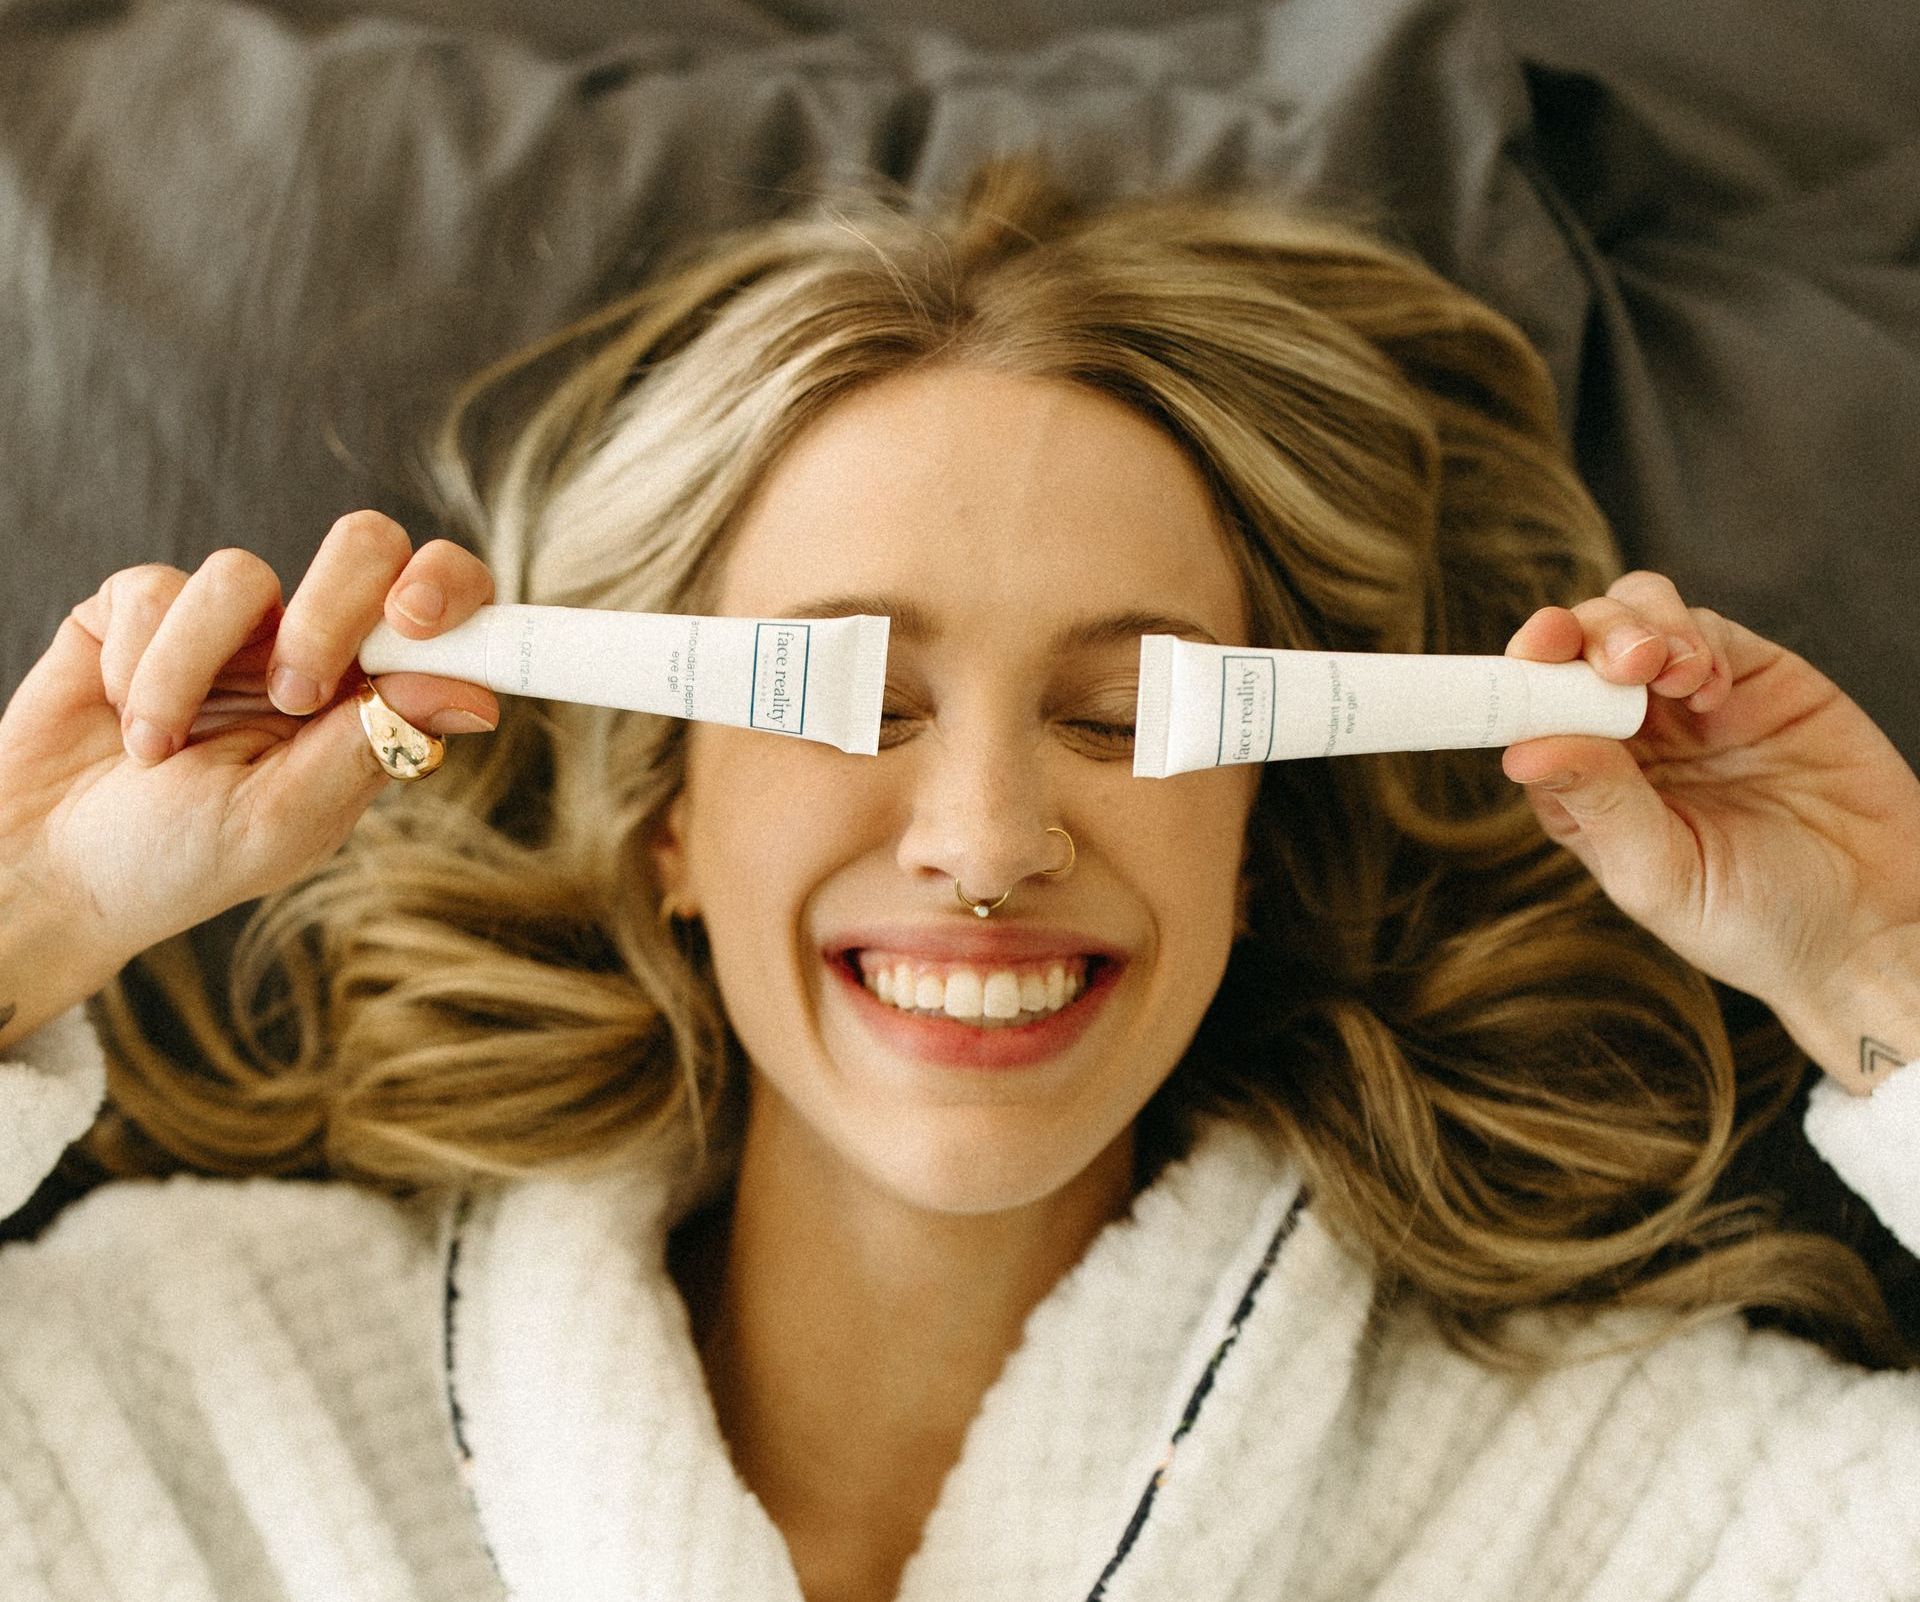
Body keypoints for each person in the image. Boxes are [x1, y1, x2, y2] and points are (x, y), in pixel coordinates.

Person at [1, 160, 1917, 1602]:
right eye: (856, 701)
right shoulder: (183, 1408)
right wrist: (20, 924)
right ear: (669, 806)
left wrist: (1889, 962)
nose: (988, 840)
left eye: (1116, 715)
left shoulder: (1621, 1511)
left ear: (1254, 840)